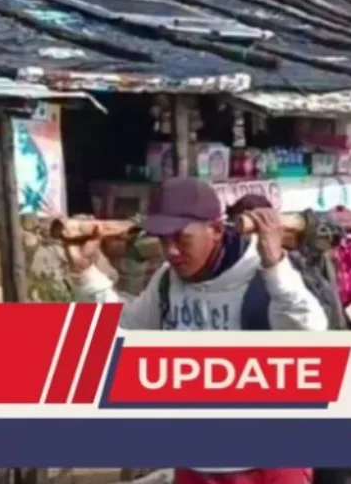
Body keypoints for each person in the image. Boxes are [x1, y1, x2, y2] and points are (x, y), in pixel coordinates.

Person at [65, 178, 327, 484]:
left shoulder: (264, 276)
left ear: (215, 230)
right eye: (163, 240)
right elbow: (124, 333)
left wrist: (276, 267)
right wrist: (86, 274)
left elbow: (311, 339)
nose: (172, 251)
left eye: (181, 239)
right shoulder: (167, 281)